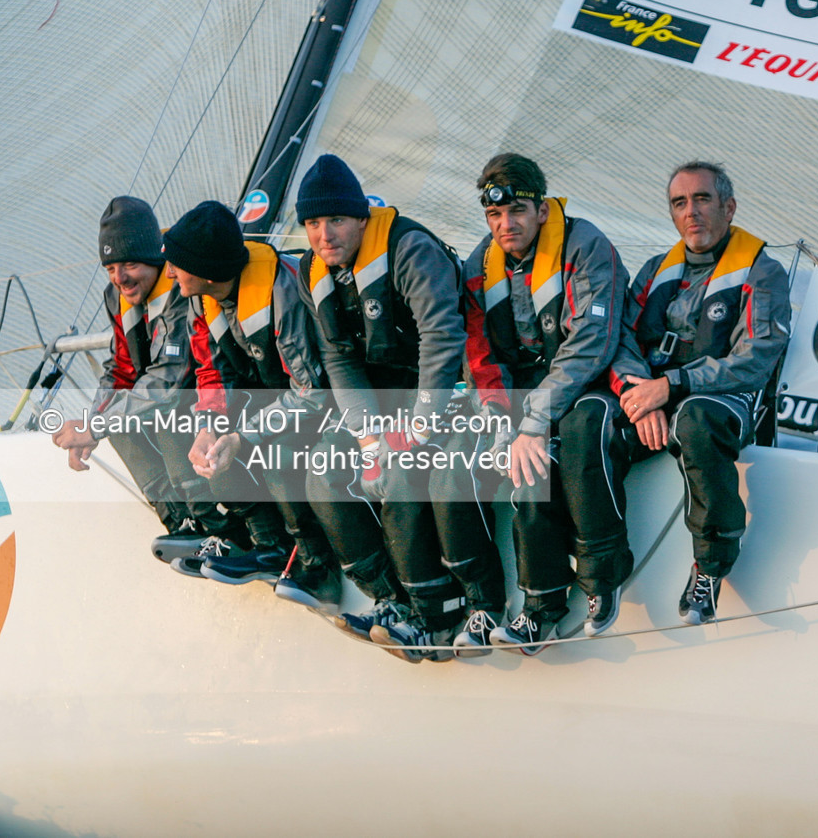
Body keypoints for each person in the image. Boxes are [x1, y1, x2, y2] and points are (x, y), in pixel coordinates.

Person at [293, 155, 502, 663]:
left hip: (449, 389)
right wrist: (368, 438)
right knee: (322, 469)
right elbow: (338, 357)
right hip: (385, 402)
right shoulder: (311, 269)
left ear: (362, 217)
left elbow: (442, 338)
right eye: (313, 223)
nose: (324, 235)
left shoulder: (409, 249)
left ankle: (438, 615)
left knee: (407, 472)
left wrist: (417, 427)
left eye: (336, 220)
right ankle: (392, 599)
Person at [462, 153, 634, 655]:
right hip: (526, 396)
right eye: (494, 215)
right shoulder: (479, 266)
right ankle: (535, 608)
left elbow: (592, 341)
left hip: (592, 384)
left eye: (516, 211)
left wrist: (534, 422)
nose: (505, 224)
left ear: (542, 209)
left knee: (578, 440)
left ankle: (602, 576)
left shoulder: (585, 245)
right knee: (517, 471)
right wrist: (502, 422)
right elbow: (480, 355)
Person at [615, 161, 792, 625]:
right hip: (656, 394)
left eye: (702, 199)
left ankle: (711, 565)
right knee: (586, 422)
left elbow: (755, 358)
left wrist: (672, 385)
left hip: (723, 397)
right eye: (680, 202)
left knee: (695, 418)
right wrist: (640, 397)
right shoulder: (654, 271)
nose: (691, 211)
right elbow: (622, 339)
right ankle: (598, 572)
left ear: (729, 208)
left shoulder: (763, 272)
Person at [161, 202, 341, 613]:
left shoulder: (283, 292)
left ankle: (320, 567)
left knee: (273, 451)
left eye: (177, 265)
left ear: (208, 271)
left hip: (324, 402)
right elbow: (211, 370)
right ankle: (266, 545)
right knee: (203, 440)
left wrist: (244, 435)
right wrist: (209, 425)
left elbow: (312, 392)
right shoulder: (200, 297)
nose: (168, 273)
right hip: (276, 396)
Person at [50, 196, 203, 563]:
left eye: (131, 264)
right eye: (110, 268)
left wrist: (95, 426)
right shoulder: (117, 296)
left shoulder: (182, 288)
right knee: (117, 418)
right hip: (176, 401)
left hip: (210, 400)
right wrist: (92, 422)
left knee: (160, 415)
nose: (120, 278)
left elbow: (169, 379)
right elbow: (120, 368)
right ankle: (180, 524)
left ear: (156, 259)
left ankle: (213, 523)